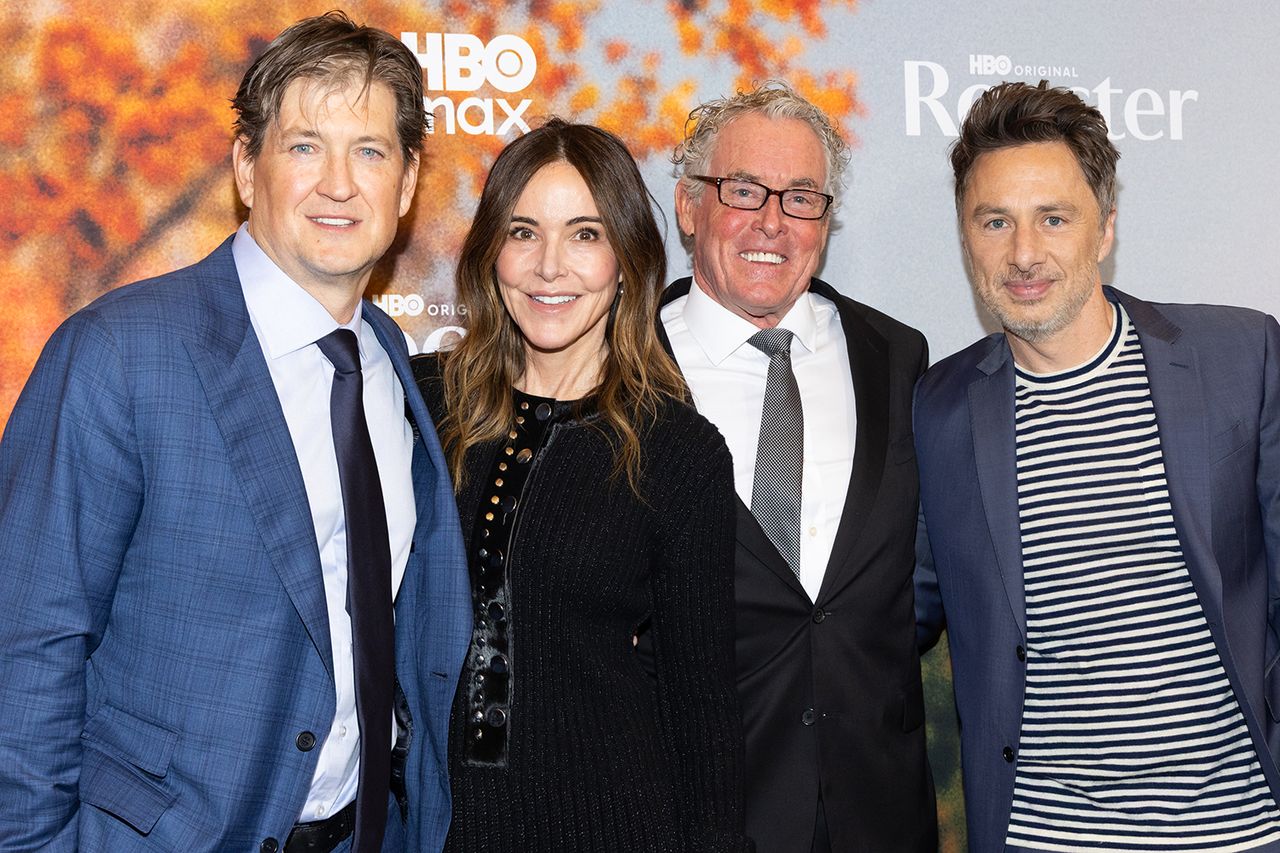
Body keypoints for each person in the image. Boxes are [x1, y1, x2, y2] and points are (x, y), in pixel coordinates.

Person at [0, 12, 470, 853]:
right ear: (246, 168)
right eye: (303, 147)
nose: (339, 184)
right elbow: (28, 640)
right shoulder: (120, 353)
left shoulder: (390, 359)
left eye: (369, 151)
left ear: (406, 188)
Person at [914, 79, 1280, 852]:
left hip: (1238, 833)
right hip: (1046, 837)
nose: (1023, 253)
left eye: (1054, 218)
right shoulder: (935, 409)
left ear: (1105, 227)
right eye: (994, 221)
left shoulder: (1242, 356)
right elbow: (886, 620)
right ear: (964, 234)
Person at [402, 118, 749, 852]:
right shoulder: (425, 406)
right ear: (492, 249)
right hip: (433, 828)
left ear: (626, 258)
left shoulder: (677, 452)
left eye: (585, 234)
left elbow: (703, 714)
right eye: (523, 232)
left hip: (612, 825)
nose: (549, 266)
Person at [658, 81, 937, 853]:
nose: (771, 222)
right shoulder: (622, 370)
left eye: (802, 196)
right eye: (743, 189)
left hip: (880, 814)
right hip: (696, 814)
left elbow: (912, 585)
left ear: (826, 219)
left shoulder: (898, 357)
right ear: (689, 206)